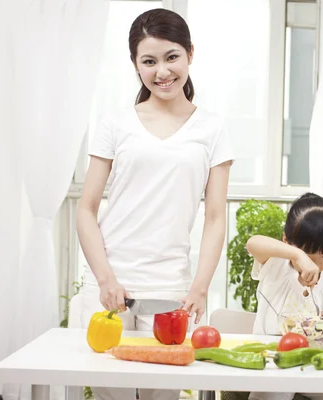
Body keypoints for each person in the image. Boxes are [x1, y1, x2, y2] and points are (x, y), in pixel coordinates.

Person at [77, 8, 234, 400]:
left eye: (171, 57)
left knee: (161, 395)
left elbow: (215, 218)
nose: (162, 71)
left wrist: (200, 287)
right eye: (149, 61)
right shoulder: (116, 124)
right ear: (135, 65)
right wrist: (105, 278)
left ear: (190, 54)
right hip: (109, 281)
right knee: (111, 392)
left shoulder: (212, 128)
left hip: (171, 287)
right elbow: (86, 209)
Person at [245, 193, 323, 400]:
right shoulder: (274, 264)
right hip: (274, 361)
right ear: (286, 241)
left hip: (315, 362)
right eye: (309, 255)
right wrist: (297, 256)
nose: (317, 264)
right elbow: (253, 243)